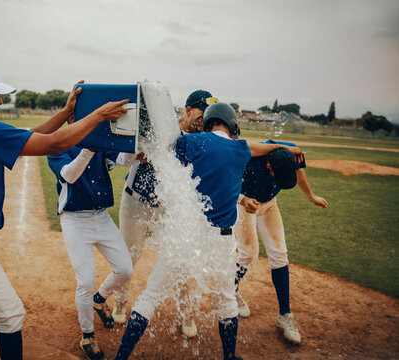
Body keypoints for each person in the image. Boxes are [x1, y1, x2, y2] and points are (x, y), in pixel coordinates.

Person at [0, 61, 129, 360]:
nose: (0, 101)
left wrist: (66, 112)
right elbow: (53, 144)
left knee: (11, 315)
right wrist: (97, 116)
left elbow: (31, 134)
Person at [114, 103, 303, 360]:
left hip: (186, 233)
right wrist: (284, 147)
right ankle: (229, 357)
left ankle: (120, 357)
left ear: (209, 121)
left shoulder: (191, 142)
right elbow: (262, 147)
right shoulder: (240, 148)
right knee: (225, 301)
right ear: (232, 125)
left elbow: (160, 150)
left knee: (150, 295)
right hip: (220, 240)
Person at [113, 90, 218, 338]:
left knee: (178, 258)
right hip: (135, 201)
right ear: (188, 110)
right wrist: (137, 152)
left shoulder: (203, 140)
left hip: (167, 206)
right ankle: (120, 301)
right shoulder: (161, 125)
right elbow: (123, 160)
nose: (205, 121)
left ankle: (186, 313)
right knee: (129, 256)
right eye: (202, 115)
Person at [233, 140, 328, 344]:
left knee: (279, 253)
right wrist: (242, 198)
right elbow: (226, 179)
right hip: (245, 203)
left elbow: (299, 170)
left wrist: (311, 196)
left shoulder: (291, 150)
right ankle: (229, 291)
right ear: (268, 165)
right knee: (249, 253)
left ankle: (285, 315)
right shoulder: (250, 157)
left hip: (269, 204)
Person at [47, 147, 134, 360]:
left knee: (125, 269)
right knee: (85, 280)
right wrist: (88, 150)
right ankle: (87, 335)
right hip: (75, 220)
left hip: (101, 217)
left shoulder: (99, 140)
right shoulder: (60, 143)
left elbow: (124, 159)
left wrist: (134, 143)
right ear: (71, 117)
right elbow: (68, 175)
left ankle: (99, 298)